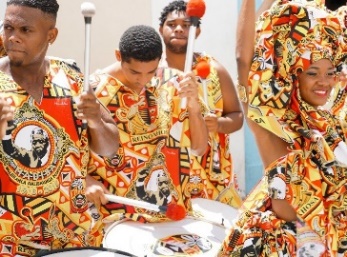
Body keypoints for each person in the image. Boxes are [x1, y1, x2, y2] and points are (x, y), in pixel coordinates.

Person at [218, 0, 347, 256]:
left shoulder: (332, 127)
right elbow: (244, 60)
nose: (323, 81)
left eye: (330, 72)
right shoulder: (273, 124)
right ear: (293, 75)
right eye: (312, 73)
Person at [0, 0, 119, 255]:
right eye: (8, 27)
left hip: (76, 235)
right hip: (11, 240)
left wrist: (96, 120)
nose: (13, 37)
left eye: (25, 30)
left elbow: (109, 148)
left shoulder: (73, 79)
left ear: (51, 35)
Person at [85, 24, 208, 236]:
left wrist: (195, 108)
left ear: (160, 60)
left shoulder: (174, 83)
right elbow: (69, 153)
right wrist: (86, 179)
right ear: (118, 56)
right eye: (134, 71)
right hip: (116, 217)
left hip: (171, 212)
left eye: (150, 72)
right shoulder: (91, 91)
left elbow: (199, 147)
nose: (142, 80)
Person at [158, 0, 244, 207]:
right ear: (161, 30)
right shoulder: (152, 71)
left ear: (196, 32)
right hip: (167, 171)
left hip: (211, 174)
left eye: (186, 25)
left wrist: (219, 124)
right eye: (172, 24)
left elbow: (237, 116)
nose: (179, 29)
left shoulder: (214, 69)